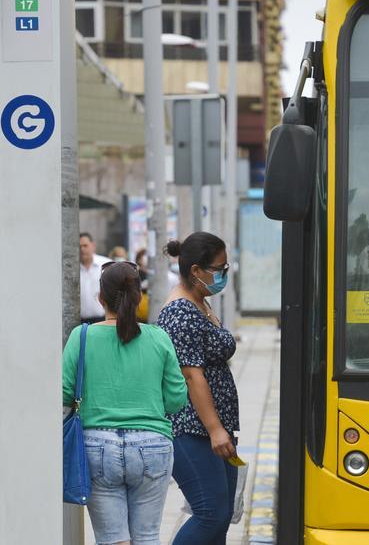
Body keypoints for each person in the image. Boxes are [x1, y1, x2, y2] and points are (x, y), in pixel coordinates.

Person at [63, 261, 188, 545]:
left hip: (97, 446)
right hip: (153, 445)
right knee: (147, 537)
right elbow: (176, 398)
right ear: (138, 297)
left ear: (100, 298)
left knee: (112, 540)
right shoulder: (158, 338)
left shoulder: (81, 337)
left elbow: (63, 392)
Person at [157, 233, 240, 544]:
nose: (224, 274)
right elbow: (192, 376)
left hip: (213, 427)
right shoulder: (180, 312)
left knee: (222, 516)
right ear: (196, 270)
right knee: (211, 513)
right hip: (193, 428)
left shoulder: (200, 302)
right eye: (219, 269)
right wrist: (216, 429)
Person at [80, 233, 112, 325]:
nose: (82, 249)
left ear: (93, 246)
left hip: (103, 319)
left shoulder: (106, 264)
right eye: (79, 246)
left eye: (85, 245)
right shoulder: (71, 269)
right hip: (79, 322)